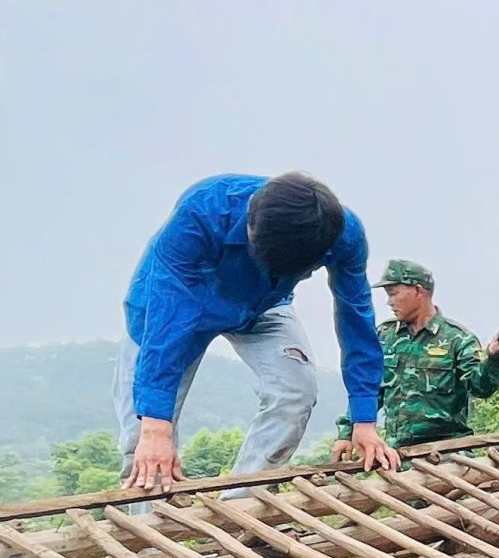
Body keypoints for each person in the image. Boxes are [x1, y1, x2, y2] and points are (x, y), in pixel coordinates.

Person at [116, 172, 399, 496]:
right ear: (251, 228)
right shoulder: (202, 213)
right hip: (175, 309)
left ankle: (242, 508)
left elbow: (356, 318)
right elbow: (168, 316)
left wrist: (363, 421)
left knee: (296, 392)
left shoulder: (342, 233)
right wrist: (155, 423)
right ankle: (151, 532)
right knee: (144, 439)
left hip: (263, 306)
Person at [328, 260, 499, 455]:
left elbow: (480, 388)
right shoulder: (384, 336)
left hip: (449, 452)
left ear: (418, 291)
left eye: (393, 294)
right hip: (399, 452)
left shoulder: (457, 339)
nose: (389, 302)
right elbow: (370, 390)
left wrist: (493, 356)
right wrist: (347, 431)